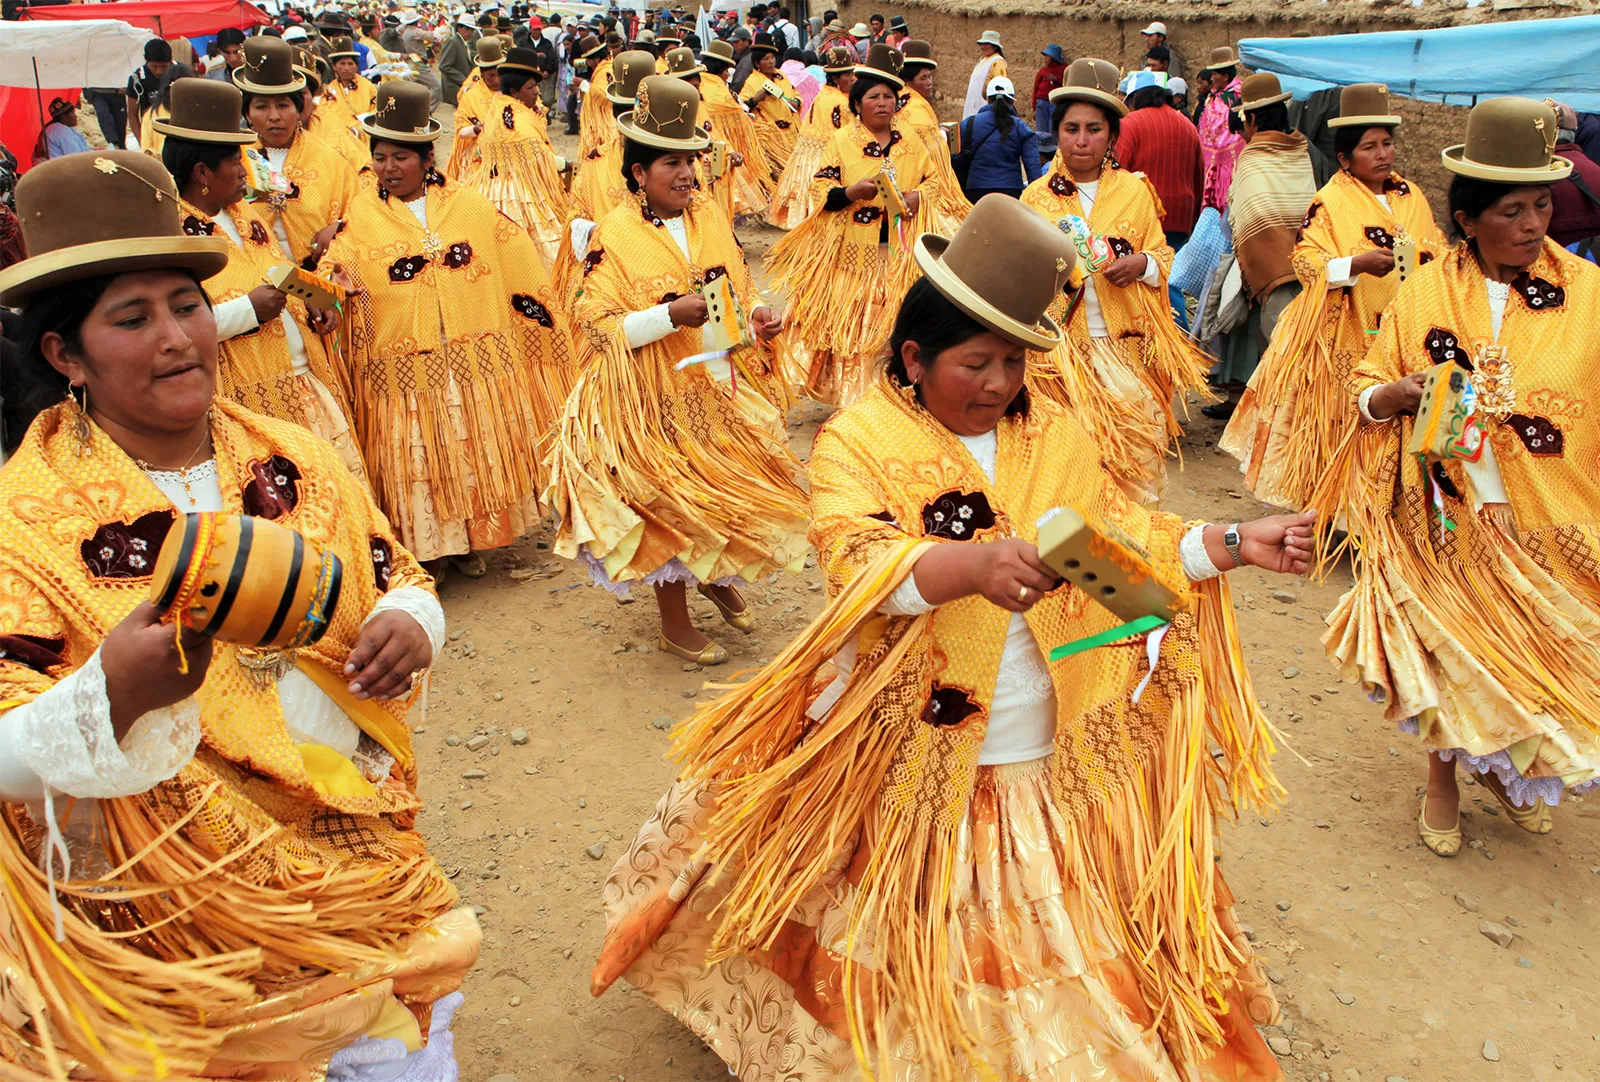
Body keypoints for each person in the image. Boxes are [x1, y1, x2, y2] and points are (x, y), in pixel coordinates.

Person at [591, 192, 1311, 1082]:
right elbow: (856, 562)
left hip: (1037, 744)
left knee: (1052, 958)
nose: (1002, 383)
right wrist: (964, 568)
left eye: (1015, 360)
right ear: (914, 357)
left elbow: (1108, 552)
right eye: (978, 362)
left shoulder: (1051, 432)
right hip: (906, 745)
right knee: (883, 931)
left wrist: (1231, 544)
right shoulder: (858, 441)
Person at [0, 148, 477, 1081]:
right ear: (65, 355)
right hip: (184, 911)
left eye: (184, 305)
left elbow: (396, 569)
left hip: (353, 837)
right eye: (132, 319)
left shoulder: (292, 452)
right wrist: (109, 697)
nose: (178, 336)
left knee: (393, 1050)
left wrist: (416, 622)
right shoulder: (25, 521)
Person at [1313, 98, 1600, 853]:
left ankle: (1512, 770)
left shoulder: (1589, 296)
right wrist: (1393, 395)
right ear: (1469, 219)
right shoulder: (1427, 291)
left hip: (1549, 522)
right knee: (1450, 653)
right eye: (1513, 210)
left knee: (1533, 657)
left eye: (1543, 205)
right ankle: (1443, 774)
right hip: (1442, 515)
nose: (1534, 223)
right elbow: (1364, 384)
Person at [545, 75, 807, 665]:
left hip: (720, 381)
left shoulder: (711, 215)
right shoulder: (613, 236)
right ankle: (673, 620)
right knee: (669, 498)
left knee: (723, 488)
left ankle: (713, 573)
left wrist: (758, 315)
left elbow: (736, 285)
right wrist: (668, 315)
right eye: (671, 163)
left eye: (692, 161)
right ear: (639, 173)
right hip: (652, 398)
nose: (687, 175)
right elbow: (595, 324)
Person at [317, 80, 577, 576]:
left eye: (401, 157)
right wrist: (333, 280)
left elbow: (512, 254)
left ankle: (468, 542)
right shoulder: (362, 211)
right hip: (404, 360)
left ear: (426, 158)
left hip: (466, 356)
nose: (389, 168)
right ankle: (427, 550)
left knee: (464, 446)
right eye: (380, 156)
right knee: (415, 457)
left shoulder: (469, 204)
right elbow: (342, 260)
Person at [1222, 83, 1445, 510]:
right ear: (1344, 159)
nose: (1382, 154)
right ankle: (1340, 511)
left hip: (1407, 331)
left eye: (1387, 143)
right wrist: (1355, 265)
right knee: (1349, 421)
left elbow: (1437, 245)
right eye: (1369, 147)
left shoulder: (1411, 196)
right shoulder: (1329, 202)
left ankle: (1391, 513)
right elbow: (1306, 261)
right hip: (1349, 333)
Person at [1021, 58, 1211, 504]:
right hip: (1060, 356)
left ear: (1111, 135)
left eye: (1093, 129)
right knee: (1069, 461)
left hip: (1125, 346)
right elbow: (1019, 270)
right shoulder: (1036, 196)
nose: (1081, 140)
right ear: (1058, 132)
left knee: (1133, 458)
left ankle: (1127, 540)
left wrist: (1142, 264)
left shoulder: (1134, 191)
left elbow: (1164, 256)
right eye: (1071, 129)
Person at [157, 77, 366, 482]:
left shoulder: (244, 215)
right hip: (250, 404)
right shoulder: (173, 238)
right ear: (202, 172)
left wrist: (317, 304)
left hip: (304, 380)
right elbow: (173, 328)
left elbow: (280, 277)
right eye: (236, 162)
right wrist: (248, 311)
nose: (246, 170)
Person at [766, 44, 938, 405]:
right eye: (873, 97)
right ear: (857, 104)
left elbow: (934, 182)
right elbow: (821, 188)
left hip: (898, 252)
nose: (882, 103)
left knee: (892, 322)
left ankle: (891, 394)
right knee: (856, 325)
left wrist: (916, 197)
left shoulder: (911, 143)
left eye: (889, 97)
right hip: (852, 253)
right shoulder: (842, 141)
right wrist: (850, 192)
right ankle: (856, 399)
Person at [1206, 73, 1317, 420]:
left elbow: (1237, 215)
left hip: (1266, 267)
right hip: (1311, 262)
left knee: (1274, 345)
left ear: (1252, 118)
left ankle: (1275, 418)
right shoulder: (1304, 150)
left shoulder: (1253, 157)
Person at [238, 37, 362, 264]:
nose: (274, 116)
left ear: (299, 109)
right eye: (261, 106)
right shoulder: (235, 159)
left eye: (283, 105)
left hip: (316, 277)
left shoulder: (329, 158)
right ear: (247, 114)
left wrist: (338, 227)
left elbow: (361, 208)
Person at [474, 46, 568, 267]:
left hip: (490, 191)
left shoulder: (496, 108)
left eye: (536, 86)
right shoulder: (519, 121)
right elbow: (539, 159)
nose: (536, 91)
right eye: (531, 87)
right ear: (515, 91)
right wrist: (566, 164)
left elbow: (482, 149)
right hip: (521, 194)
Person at [766, 44, 854, 229]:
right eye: (847, 75)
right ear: (836, 78)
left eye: (852, 74)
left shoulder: (824, 94)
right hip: (826, 155)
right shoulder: (841, 101)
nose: (852, 79)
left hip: (808, 153)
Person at [1115, 71, 1205, 250]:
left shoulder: (1129, 124)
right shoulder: (1188, 126)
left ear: (1134, 99)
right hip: (1180, 219)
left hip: (1139, 220)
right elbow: (1199, 177)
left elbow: (1117, 171)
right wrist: (1193, 221)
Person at [696, 38, 775, 220]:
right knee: (716, 190)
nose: (727, 75)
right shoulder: (712, 88)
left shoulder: (714, 85)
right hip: (714, 147)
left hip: (719, 147)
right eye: (725, 70)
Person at [897, 39, 970, 236]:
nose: (929, 83)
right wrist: (942, 137)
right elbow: (930, 153)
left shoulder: (903, 100)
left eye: (930, 77)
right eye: (923, 78)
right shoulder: (916, 109)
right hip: (922, 188)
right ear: (909, 79)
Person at [953, 77, 1042, 201]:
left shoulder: (969, 124)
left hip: (976, 191)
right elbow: (1033, 166)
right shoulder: (1021, 127)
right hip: (1010, 191)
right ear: (1012, 101)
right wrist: (1036, 199)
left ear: (988, 99)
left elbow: (956, 159)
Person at [444, 37, 506, 180]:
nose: (496, 80)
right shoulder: (471, 96)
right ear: (481, 75)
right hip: (478, 158)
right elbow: (461, 131)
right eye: (491, 76)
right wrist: (476, 129)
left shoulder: (512, 91)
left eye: (499, 75)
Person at [741, 33, 802, 176]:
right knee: (781, 175)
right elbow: (742, 108)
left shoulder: (782, 76)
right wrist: (755, 100)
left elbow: (796, 93)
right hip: (771, 138)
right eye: (766, 58)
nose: (771, 62)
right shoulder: (751, 82)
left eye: (773, 57)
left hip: (792, 132)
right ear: (757, 63)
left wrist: (797, 101)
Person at [1198, 48, 1244, 210]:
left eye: (1215, 74)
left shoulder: (1235, 97)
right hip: (1211, 161)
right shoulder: (1215, 96)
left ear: (1225, 76)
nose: (1212, 78)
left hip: (1229, 162)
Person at [125, 37, 174, 147]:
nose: (159, 71)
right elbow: (132, 114)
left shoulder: (180, 74)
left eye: (164, 67)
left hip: (176, 132)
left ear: (170, 62)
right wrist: (142, 142)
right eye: (154, 66)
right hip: (151, 133)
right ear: (146, 61)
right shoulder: (137, 79)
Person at [964, 30, 1008, 120]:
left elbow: (999, 87)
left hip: (985, 110)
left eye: (987, 43)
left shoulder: (997, 62)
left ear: (995, 46)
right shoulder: (983, 60)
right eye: (982, 44)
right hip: (973, 109)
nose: (983, 46)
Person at [1032, 42, 1065, 151]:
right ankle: (1040, 153)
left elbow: (1066, 85)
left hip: (1055, 104)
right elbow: (1036, 88)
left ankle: (1052, 154)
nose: (1045, 58)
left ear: (1054, 57)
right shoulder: (1043, 71)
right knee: (1041, 131)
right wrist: (1034, 107)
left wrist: (1056, 81)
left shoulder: (1064, 69)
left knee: (1053, 131)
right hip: (1041, 103)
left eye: (1048, 56)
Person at [35, 97, 89, 164]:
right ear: (64, 117)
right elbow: (75, 157)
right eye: (72, 114)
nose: (75, 116)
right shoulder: (61, 130)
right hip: (61, 169)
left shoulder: (65, 128)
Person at [438, 13, 477, 105]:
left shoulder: (463, 42)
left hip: (461, 86)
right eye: (466, 29)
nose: (469, 32)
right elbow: (444, 66)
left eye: (472, 30)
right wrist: (463, 80)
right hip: (455, 86)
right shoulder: (453, 42)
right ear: (459, 28)